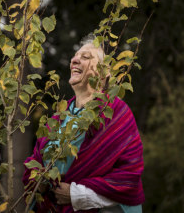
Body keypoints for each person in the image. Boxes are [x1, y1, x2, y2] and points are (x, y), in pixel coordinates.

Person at [23, 36, 145, 212]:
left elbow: (129, 177)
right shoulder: (58, 118)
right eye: (75, 56)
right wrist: (39, 182)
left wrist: (76, 195)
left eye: (86, 57)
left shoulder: (117, 114)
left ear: (104, 72)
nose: (74, 60)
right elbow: (35, 164)